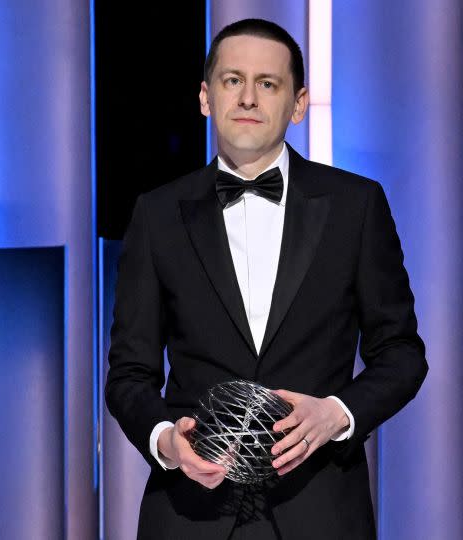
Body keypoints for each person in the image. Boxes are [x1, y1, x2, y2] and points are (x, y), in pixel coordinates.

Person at [105, 18, 427, 539]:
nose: (248, 98)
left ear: (298, 104)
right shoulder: (157, 215)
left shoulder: (356, 206)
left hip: (321, 511)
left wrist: (336, 414)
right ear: (206, 98)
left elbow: (402, 353)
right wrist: (165, 439)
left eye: (268, 84)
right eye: (233, 81)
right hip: (191, 513)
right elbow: (128, 374)